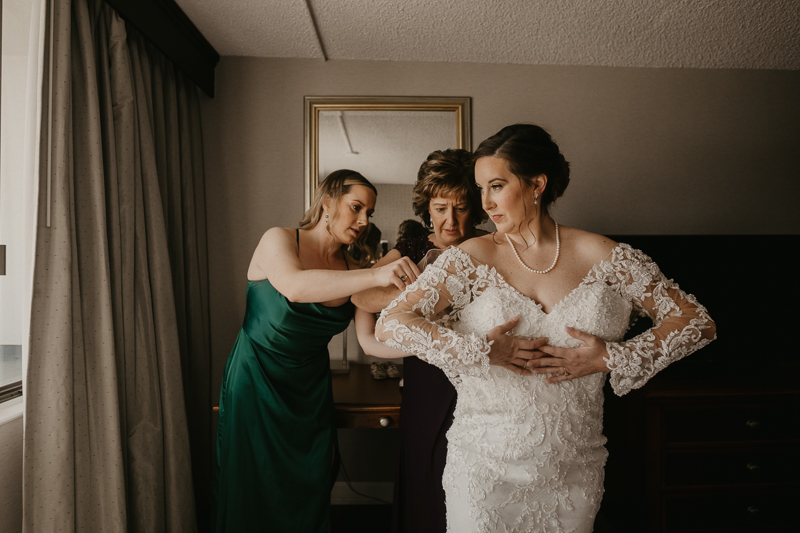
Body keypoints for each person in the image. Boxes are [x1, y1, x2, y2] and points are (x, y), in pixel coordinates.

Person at [374, 124, 717, 532]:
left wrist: (611, 356)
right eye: (481, 189)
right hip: (483, 468)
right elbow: (392, 325)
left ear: (537, 183)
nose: (485, 203)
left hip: (573, 469)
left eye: (497, 186)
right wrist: (483, 351)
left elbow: (696, 322)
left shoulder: (605, 255)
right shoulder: (471, 258)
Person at [213, 169, 420, 533]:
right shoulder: (278, 240)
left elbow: (369, 341)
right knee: (254, 483)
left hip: (309, 388)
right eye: (356, 207)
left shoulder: (352, 269)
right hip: (257, 378)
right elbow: (294, 287)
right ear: (328, 201)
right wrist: (375, 275)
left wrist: (436, 347)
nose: (362, 221)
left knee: (309, 484)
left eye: (369, 213)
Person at [351, 148, 487, 533]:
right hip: (427, 379)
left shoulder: (492, 246)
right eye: (441, 208)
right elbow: (363, 297)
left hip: (483, 378)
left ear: (475, 207)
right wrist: (424, 284)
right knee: (428, 478)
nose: (450, 220)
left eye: (461, 208)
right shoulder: (411, 249)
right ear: (427, 206)